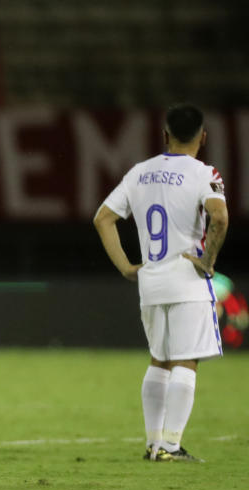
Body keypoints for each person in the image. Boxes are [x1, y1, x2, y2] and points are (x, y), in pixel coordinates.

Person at [94, 103, 228, 462]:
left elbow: (103, 218)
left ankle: (154, 443)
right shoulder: (205, 173)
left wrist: (125, 267)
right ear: (204, 137)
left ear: (164, 135)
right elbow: (219, 218)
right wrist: (207, 262)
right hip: (187, 280)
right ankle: (170, 445)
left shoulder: (140, 172)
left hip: (150, 282)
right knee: (186, 361)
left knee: (159, 360)